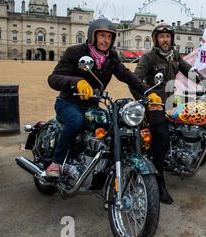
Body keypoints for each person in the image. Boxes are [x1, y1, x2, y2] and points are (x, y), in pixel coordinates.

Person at [47, 18, 154, 179]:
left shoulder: (111, 56)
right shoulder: (75, 52)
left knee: (112, 124)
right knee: (76, 121)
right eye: (102, 36)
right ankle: (56, 162)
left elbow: (126, 75)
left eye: (109, 37)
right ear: (93, 35)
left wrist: (147, 92)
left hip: (92, 106)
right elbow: (54, 78)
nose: (106, 40)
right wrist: (76, 82)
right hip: (69, 103)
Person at [131, 22, 206, 205]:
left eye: (168, 36)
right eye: (161, 37)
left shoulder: (174, 55)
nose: (165, 40)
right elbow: (134, 81)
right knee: (162, 138)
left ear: (171, 39)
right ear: (155, 39)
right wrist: (147, 99)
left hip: (169, 104)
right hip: (153, 106)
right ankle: (158, 183)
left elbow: (190, 71)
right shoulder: (149, 57)